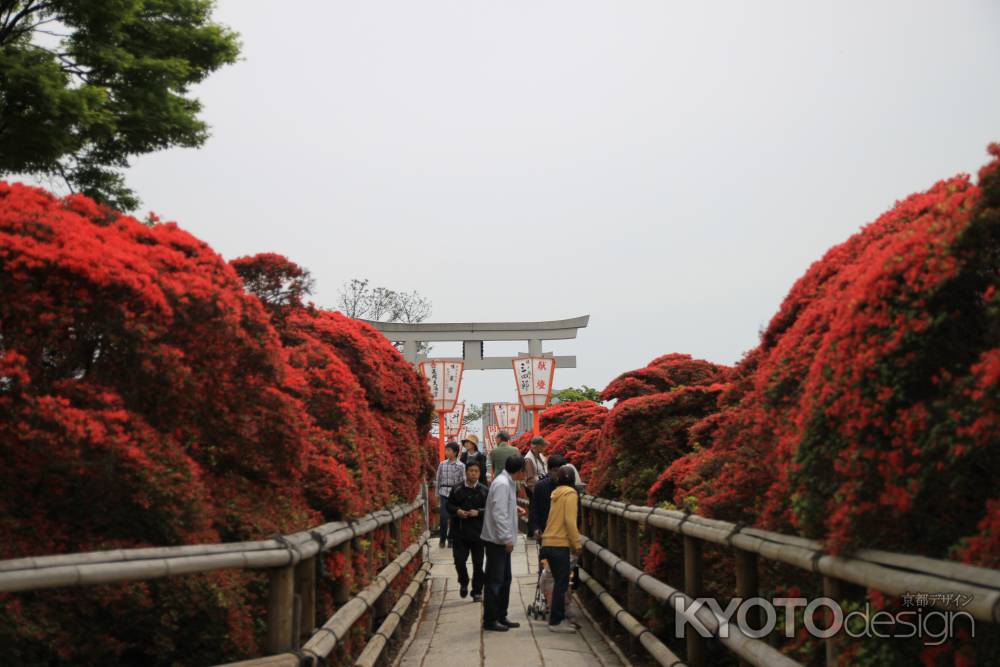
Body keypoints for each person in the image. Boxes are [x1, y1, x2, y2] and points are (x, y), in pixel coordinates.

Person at [480, 454, 528, 632]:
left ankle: (501, 615)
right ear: (519, 470)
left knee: (505, 579)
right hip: (497, 541)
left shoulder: (506, 482)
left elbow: (501, 506)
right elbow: (499, 514)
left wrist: (514, 508)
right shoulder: (502, 483)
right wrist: (507, 538)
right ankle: (490, 619)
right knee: (495, 580)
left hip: (501, 539)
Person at [540, 466, 582, 633]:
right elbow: (570, 521)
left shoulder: (556, 493)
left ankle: (557, 619)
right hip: (559, 543)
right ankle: (556, 621)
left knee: (558, 581)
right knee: (561, 583)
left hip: (548, 541)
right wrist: (577, 544)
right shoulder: (570, 494)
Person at [446, 460, 488, 601]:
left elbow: (491, 509)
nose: (473, 474)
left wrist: (479, 512)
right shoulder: (457, 489)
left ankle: (477, 591)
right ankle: (463, 582)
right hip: (460, 531)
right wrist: (457, 511)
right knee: (459, 561)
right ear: (466, 472)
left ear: (479, 473)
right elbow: (448, 505)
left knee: (478, 563)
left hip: (478, 533)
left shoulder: (484, 490)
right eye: (471, 471)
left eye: (476, 471)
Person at [434, 441, 465, 548]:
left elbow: (463, 481)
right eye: (446, 450)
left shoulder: (461, 466)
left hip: (455, 494)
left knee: (454, 517)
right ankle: (442, 538)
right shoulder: (442, 464)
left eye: (449, 450)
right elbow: (438, 479)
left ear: (455, 452)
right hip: (443, 492)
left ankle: (451, 539)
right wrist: (437, 494)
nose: (446, 452)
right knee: (443, 517)